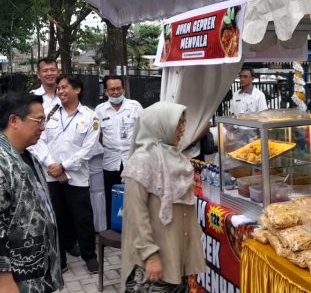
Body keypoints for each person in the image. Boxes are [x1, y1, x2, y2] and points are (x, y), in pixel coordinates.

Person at [0, 92, 63, 292]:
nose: (43, 127)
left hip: (37, 275)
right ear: (14, 120)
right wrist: (5, 283)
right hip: (13, 281)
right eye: (38, 120)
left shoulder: (27, 156)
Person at [120, 101, 206, 291]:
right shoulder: (141, 162)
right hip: (154, 261)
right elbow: (135, 215)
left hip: (177, 253)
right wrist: (150, 255)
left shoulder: (175, 157)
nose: (183, 129)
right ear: (160, 124)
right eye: (178, 124)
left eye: (184, 123)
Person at [33, 75, 102, 273]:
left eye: (64, 88)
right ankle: (60, 259)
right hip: (51, 175)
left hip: (77, 177)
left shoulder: (90, 117)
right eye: (59, 89)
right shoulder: (49, 113)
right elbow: (38, 140)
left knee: (83, 218)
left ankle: (90, 256)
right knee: (56, 218)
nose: (60, 91)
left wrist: (64, 166)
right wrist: (52, 165)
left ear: (77, 90)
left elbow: (89, 149)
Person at [94, 75, 142, 228]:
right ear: (106, 92)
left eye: (118, 89)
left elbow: (144, 130)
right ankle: (113, 227)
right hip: (110, 161)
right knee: (111, 196)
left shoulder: (135, 106)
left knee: (135, 196)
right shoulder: (100, 110)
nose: (115, 92)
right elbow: (97, 136)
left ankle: (135, 227)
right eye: (111, 89)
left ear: (123, 89)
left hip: (132, 160)